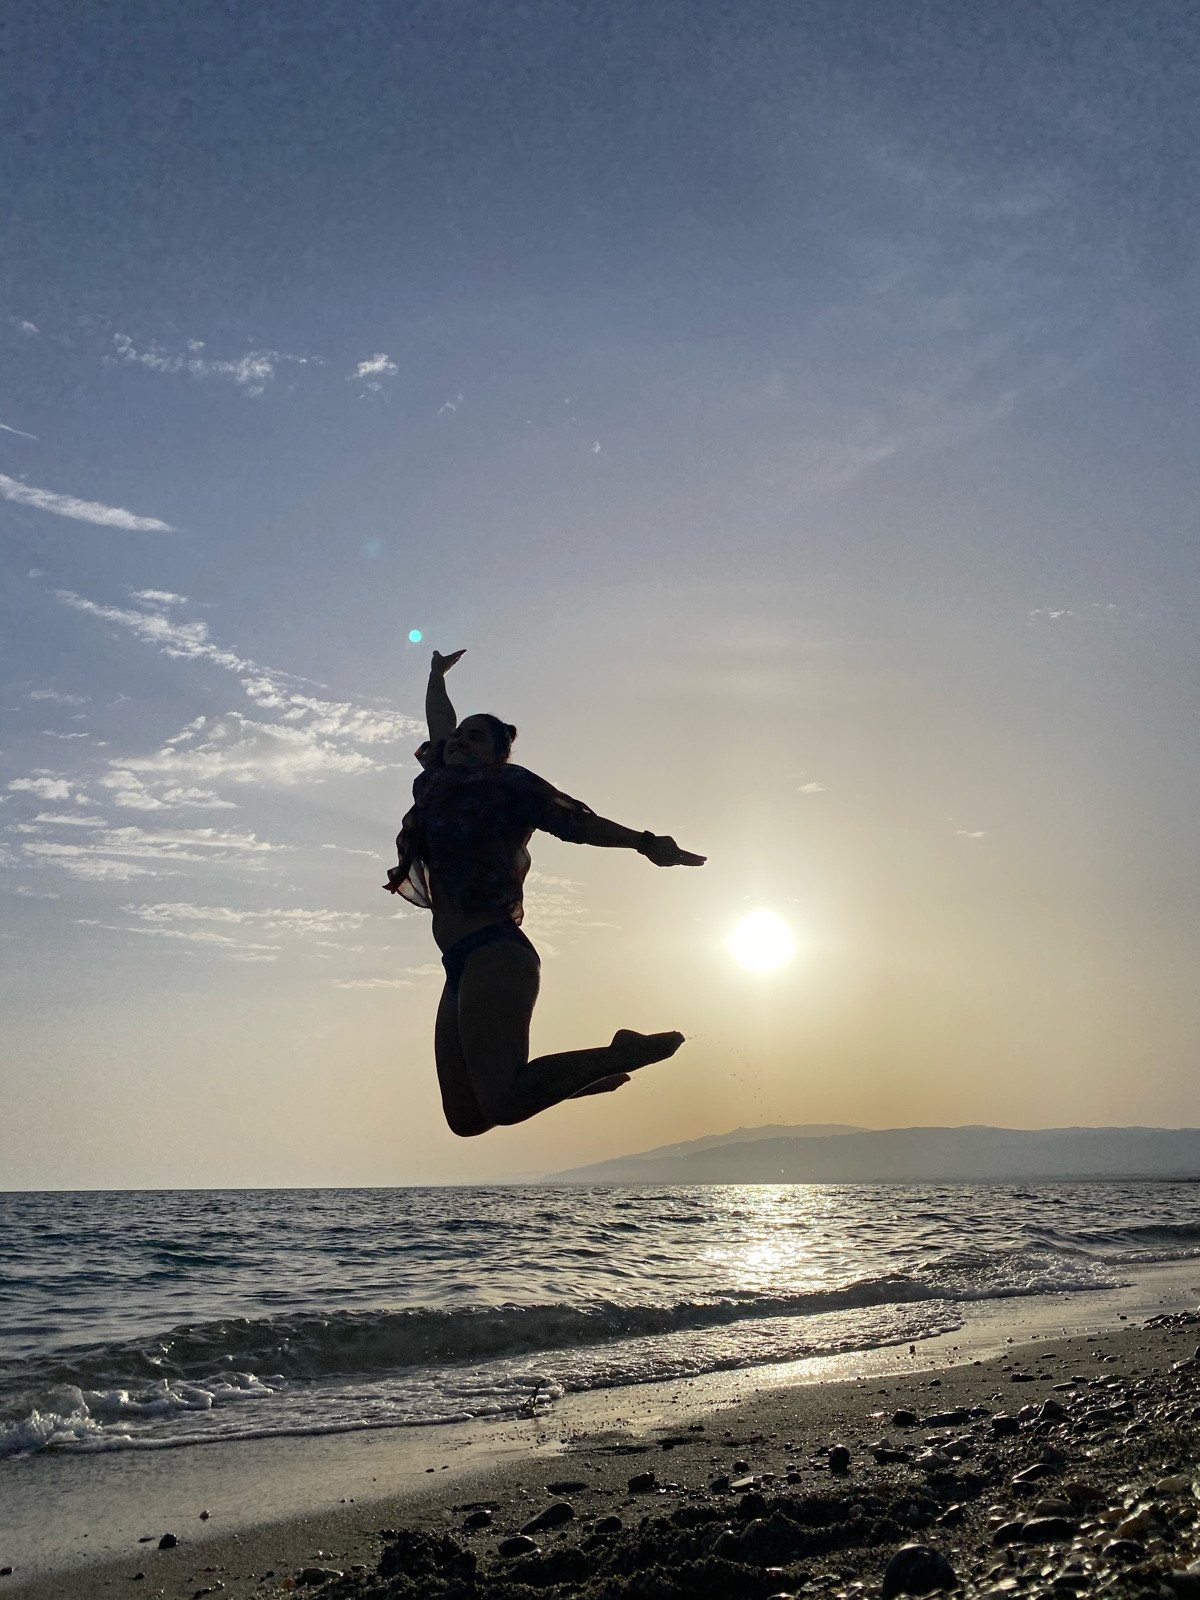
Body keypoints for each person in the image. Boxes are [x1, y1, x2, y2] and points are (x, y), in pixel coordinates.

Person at [385, 648, 706, 1136]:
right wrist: (435, 676)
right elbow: (441, 722)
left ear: (498, 754)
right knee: (467, 1119)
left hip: (495, 951)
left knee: (504, 1101)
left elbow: (577, 823)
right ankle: (580, 1078)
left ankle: (621, 1053)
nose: (460, 741)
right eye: (459, 735)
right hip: (457, 962)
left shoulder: (507, 785)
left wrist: (644, 843)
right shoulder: (437, 780)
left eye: (476, 737)